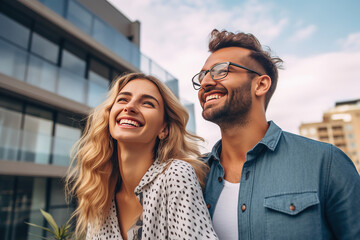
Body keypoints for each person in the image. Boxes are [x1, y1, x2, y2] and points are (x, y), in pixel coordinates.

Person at [192, 29, 360, 239]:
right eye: (203, 75)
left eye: (220, 70)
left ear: (261, 85)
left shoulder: (326, 163)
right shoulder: (193, 176)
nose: (206, 83)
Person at [66, 73, 218, 240]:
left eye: (147, 103)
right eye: (123, 99)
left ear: (163, 129)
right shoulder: (100, 195)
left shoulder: (176, 174)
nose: (129, 107)